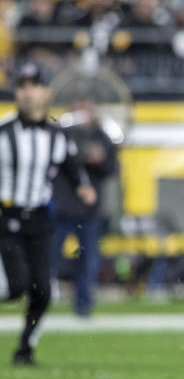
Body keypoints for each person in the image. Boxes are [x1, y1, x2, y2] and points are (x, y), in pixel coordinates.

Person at [2, 64, 96, 365]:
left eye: (35, 86)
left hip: (40, 219)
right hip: (5, 217)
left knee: (43, 291)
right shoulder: (4, 132)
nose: (29, 93)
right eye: (23, 86)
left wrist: (83, 187)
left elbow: (71, 166)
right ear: (16, 92)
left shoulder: (57, 135)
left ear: (46, 92)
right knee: (15, 286)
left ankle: (25, 348)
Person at [51, 96, 119, 317]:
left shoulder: (102, 136)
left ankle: (83, 305)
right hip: (62, 207)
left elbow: (111, 168)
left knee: (88, 261)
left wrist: (101, 159)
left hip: (90, 211)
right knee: (52, 258)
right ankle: (43, 299)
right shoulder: (62, 133)